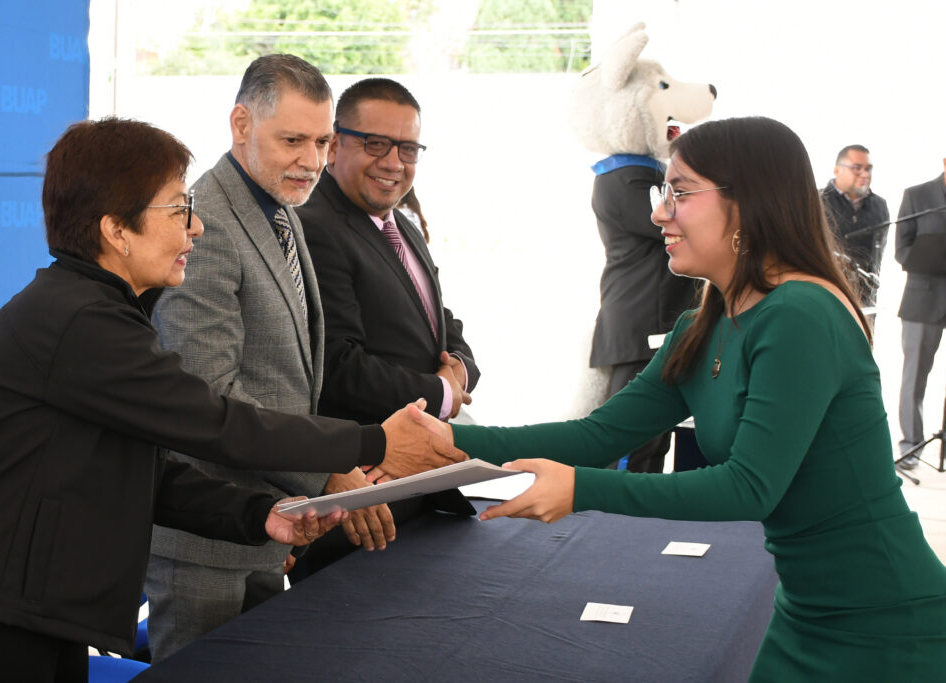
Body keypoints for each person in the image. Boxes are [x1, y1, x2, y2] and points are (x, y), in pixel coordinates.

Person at [393, 117, 946, 681]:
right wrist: (450, 440)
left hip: (886, 619)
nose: (659, 212)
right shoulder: (703, 322)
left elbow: (749, 487)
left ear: (748, 203)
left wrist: (582, 488)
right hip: (808, 610)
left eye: (679, 192)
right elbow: (599, 434)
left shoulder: (801, 313)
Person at [0, 118, 462, 682]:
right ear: (116, 231)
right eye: (179, 210)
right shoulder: (79, 322)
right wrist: (373, 439)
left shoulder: (98, 312)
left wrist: (262, 515)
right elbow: (217, 421)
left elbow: (146, 477)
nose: (198, 227)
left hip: (35, 615)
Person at [145, 54, 394, 662]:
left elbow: (290, 377)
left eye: (322, 141)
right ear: (239, 124)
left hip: (267, 523)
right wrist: (326, 474)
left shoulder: (281, 210)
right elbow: (210, 396)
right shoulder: (206, 225)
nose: (312, 160)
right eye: (292, 140)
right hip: (205, 542)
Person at [294, 77, 480, 578]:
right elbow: (338, 366)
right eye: (375, 144)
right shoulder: (314, 226)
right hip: (361, 501)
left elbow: (441, 325)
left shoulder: (404, 228)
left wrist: (460, 369)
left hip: (418, 493)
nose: (394, 162)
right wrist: (440, 395)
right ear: (333, 146)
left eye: (408, 147)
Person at [589, 142, 698, 473]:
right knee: (629, 444)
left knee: (653, 441)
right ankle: (611, 521)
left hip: (650, 321)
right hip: (642, 324)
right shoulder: (627, 178)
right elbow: (681, 225)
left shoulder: (635, 175)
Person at [895, 160, 946, 470]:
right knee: (915, 378)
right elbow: (901, 250)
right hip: (923, 298)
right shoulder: (917, 195)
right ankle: (911, 447)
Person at [820, 144, 889, 309]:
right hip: (826, 294)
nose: (865, 174)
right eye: (857, 168)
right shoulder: (816, 201)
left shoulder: (880, 205)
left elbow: (877, 255)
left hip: (865, 299)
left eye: (868, 168)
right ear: (837, 170)